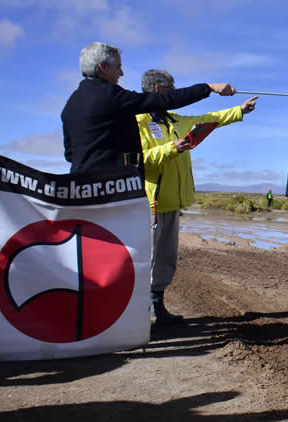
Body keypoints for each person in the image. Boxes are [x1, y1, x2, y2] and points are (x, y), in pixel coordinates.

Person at [137, 69, 258, 324]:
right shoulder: (138, 122)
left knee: (165, 258)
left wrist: (239, 111)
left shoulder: (174, 120)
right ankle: (138, 313)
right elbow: (137, 161)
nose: (177, 93)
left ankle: (157, 307)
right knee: (147, 258)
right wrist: (170, 149)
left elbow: (209, 118)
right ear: (158, 90)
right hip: (150, 204)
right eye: (173, 88)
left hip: (173, 202)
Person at [62, 42, 236, 175]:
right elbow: (164, 100)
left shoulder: (71, 104)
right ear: (103, 68)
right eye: (118, 67)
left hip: (80, 187)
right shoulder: (111, 96)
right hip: (112, 191)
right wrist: (209, 87)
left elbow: (70, 154)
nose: (121, 74)